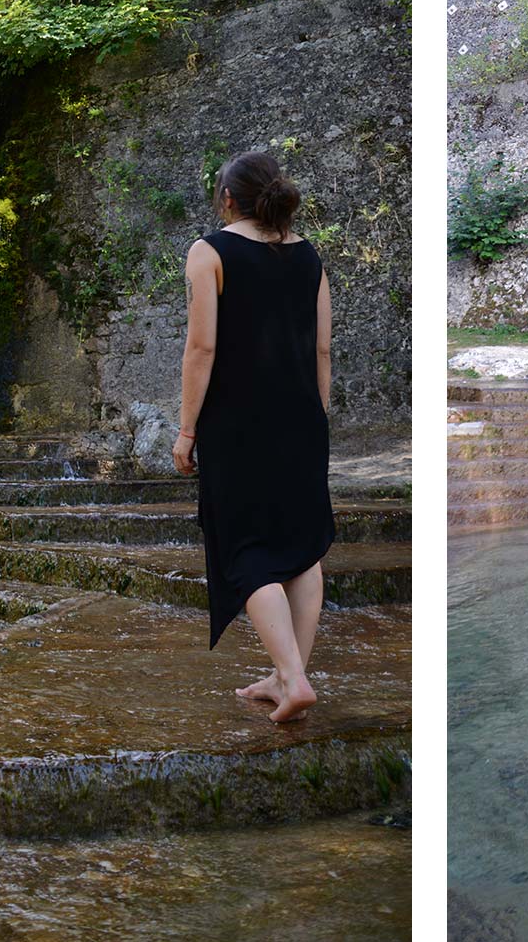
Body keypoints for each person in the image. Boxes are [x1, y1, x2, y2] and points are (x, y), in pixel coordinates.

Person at [173, 150, 335, 722]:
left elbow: (202, 348)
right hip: (302, 420)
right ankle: (288, 673)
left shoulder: (209, 252)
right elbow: (321, 348)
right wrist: (320, 418)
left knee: (247, 551)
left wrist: (188, 429)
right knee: (300, 549)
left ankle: (291, 678)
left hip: (238, 424)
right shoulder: (310, 257)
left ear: (227, 200)